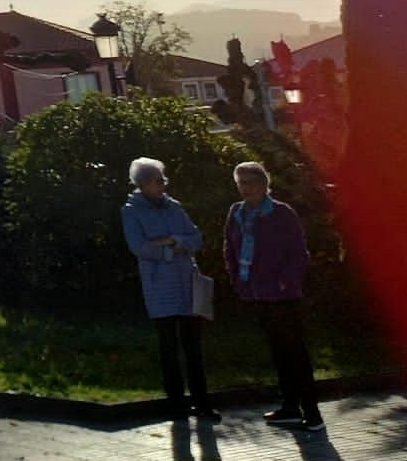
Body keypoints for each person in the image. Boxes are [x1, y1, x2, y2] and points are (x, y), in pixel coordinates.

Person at [225, 161, 323, 433]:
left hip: (283, 295)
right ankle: (289, 406)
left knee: (296, 353)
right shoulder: (236, 212)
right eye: (242, 183)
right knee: (278, 352)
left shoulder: (282, 213)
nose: (247, 188)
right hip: (256, 293)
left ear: (264, 184)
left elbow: (298, 254)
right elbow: (229, 248)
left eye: (252, 182)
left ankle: (312, 412)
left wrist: (283, 283)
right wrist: (237, 281)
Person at [121, 157, 218, 423]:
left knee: (193, 347)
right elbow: (139, 247)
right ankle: (176, 405)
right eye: (157, 181)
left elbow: (196, 238)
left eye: (163, 179)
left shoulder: (174, 207)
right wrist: (172, 247)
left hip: (185, 282)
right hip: (158, 285)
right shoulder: (132, 210)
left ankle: (203, 403)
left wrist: (172, 241)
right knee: (168, 347)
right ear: (143, 184)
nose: (163, 185)